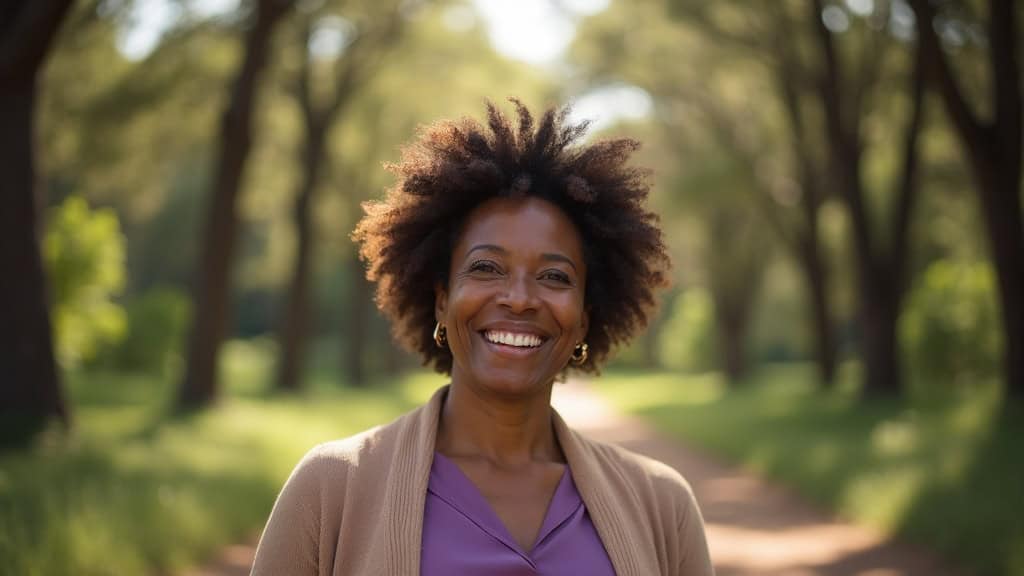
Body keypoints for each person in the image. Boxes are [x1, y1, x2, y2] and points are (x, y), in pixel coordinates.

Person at [250, 100, 714, 576]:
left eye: (554, 277)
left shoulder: (663, 505)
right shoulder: (332, 490)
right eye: (486, 268)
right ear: (440, 301)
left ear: (583, 320)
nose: (518, 299)